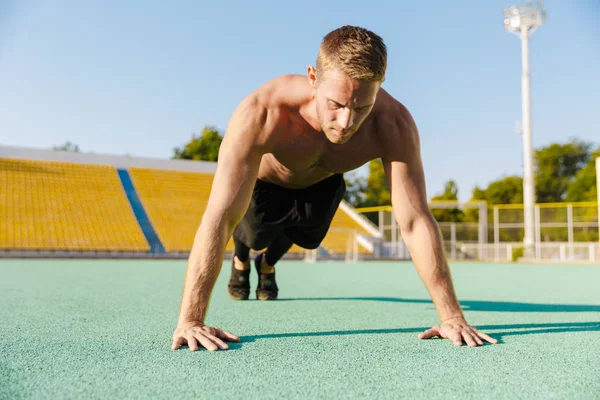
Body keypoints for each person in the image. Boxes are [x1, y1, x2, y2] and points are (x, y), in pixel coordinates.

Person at [171, 25, 498, 352]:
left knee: (307, 238)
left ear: (379, 85)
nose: (347, 123)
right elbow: (220, 216)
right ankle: (242, 259)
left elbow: (414, 221)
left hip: (324, 185)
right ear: (312, 77)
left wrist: (452, 316)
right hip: (268, 185)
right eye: (336, 105)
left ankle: (266, 265)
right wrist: (191, 320)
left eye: (361, 108)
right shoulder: (263, 111)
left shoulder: (394, 124)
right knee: (254, 235)